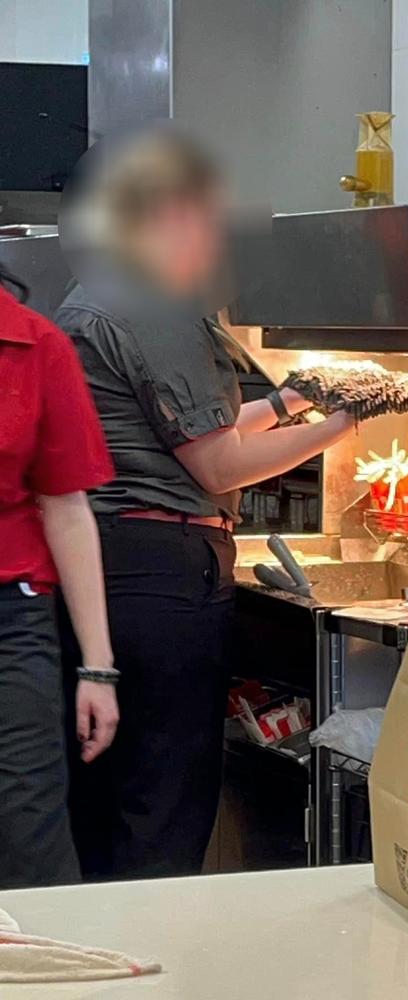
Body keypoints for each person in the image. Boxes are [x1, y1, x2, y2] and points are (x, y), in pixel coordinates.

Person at [55, 127, 358, 881]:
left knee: (106, 796)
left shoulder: (94, 295)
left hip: (105, 567)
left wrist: (289, 402)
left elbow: (175, 434)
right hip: (156, 576)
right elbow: (219, 467)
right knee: (162, 798)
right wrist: (348, 419)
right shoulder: (150, 300)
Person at [0, 267, 118, 890]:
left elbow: (67, 508)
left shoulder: (37, 344)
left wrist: (97, 668)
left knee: (28, 828)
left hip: (11, 623)